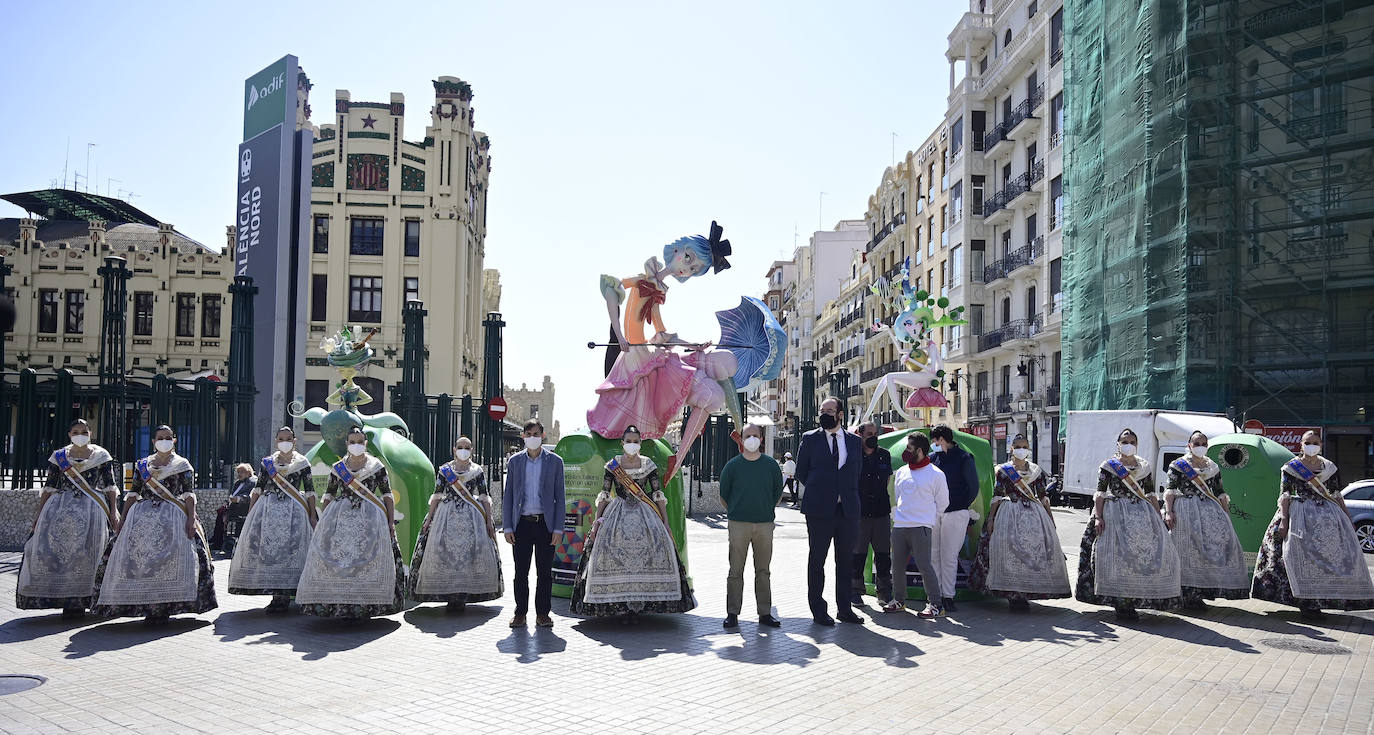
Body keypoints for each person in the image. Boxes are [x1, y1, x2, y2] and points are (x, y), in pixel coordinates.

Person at [91, 425, 217, 622]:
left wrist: (191, 520)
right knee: (140, 561)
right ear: (153, 441)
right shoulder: (143, 465)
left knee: (169, 560)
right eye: (160, 437)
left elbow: (189, 495)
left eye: (168, 437)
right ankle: (146, 606)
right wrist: (122, 520)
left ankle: (164, 607)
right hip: (142, 516)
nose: (164, 440)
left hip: (174, 516)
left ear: (174, 440)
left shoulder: (183, 464)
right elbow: (133, 494)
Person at [570, 425, 695, 622]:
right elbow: (604, 494)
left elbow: (656, 495)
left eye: (635, 441)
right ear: (622, 443)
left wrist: (665, 522)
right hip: (616, 514)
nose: (632, 444)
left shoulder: (648, 464)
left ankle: (640, 606)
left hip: (646, 516)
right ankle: (621, 606)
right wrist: (596, 522)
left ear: (640, 443)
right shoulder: (613, 465)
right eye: (628, 441)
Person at [1252, 430, 1374, 619]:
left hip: (1328, 515)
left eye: (1315, 442)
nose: (1312, 445)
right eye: (1308, 442)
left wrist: (1347, 517)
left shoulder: (1329, 468)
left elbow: (1335, 494)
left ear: (1321, 445)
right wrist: (1284, 520)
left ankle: (1319, 601)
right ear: (1301, 445)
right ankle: (1305, 603)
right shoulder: (1291, 468)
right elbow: (1284, 495)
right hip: (1299, 514)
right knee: (1294, 555)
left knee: (1328, 559)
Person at [295, 426, 405, 619]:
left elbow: (387, 495)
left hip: (371, 518)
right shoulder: (339, 468)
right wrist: (324, 522)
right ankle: (339, 604)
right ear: (347, 444)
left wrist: (390, 521)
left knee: (367, 559)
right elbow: (329, 494)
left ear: (366, 444)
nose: (356, 445)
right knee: (340, 560)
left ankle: (366, 606)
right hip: (340, 517)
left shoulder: (377, 466)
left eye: (360, 442)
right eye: (352, 442)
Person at [16, 419, 119, 618]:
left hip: (93, 510)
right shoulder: (59, 457)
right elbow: (49, 487)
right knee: (62, 556)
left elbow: (110, 486)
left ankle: (89, 599)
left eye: (84, 431)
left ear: (90, 433)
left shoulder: (101, 456)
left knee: (91, 555)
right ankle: (67, 600)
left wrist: (114, 511)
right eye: (76, 431)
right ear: (69, 434)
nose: (80, 434)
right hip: (59, 511)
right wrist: (38, 515)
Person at [1075, 428, 1181, 620]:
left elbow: (1150, 495)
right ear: (1118, 444)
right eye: (1125, 441)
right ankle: (1121, 602)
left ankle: (1136, 598)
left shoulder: (1144, 466)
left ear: (1137, 444)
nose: (1128, 444)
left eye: (1132, 441)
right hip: (1114, 513)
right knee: (1114, 558)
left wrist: (1158, 518)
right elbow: (1100, 493)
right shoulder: (1109, 466)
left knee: (1142, 558)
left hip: (1142, 514)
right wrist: (1098, 517)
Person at [968, 434, 1070, 610]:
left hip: (1034, 516)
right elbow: (997, 495)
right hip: (1009, 513)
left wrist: (1050, 519)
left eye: (1025, 446)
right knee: (1010, 551)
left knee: (1033, 553)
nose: (1022, 450)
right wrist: (991, 518)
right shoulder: (1003, 470)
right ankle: (1013, 594)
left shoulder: (1036, 471)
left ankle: (1028, 591)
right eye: (1019, 446)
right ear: (1012, 448)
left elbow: (1043, 497)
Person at [227, 426, 317, 612]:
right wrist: (251, 514)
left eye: (288, 438)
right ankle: (276, 596)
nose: (285, 441)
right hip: (269, 512)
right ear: (276, 441)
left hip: (295, 512)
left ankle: (290, 593)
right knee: (271, 552)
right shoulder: (267, 463)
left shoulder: (302, 462)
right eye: (281, 438)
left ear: (294, 440)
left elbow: (309, 491)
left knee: (291, 552)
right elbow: (258, 489)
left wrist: (312, 515)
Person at [409, 437, 502, 612]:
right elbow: (436, 495)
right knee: (444, 552)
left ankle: (464, 594)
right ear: (454, 449)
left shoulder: (477, 471)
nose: (463, 450)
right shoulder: (445, 470)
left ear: (472, 450)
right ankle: (448, 593)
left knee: (469, 555)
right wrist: (429, 519)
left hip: (472, 516)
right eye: (460, 447)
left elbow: (484, 497)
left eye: (467, 447)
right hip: (445, 515)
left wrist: (489, 521)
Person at [795, 397, 864, 625]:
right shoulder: (810, 439)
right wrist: (822, 490)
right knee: (817, 561)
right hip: (819, 511)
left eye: (830, 411)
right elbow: (801, 472)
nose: (825, 414)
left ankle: (844, 609)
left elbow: (857, 472)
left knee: (845, 562)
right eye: (822, 411)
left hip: (847, 511)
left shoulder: (854, 441)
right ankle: (818, 610)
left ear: (841, 414)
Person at [1164, 431, 1249, 609]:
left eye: (1203, 443)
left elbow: (1220, 493)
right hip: (1185, 511)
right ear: (1189, 445)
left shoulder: (1212, 467)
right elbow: (1170, 490)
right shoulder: (1178, 465)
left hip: (1210, 512)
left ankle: (1200, 592)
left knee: (1207, 551)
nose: (1200, 446)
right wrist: (1169, 512)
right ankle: (1184, 594)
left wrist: (1226, 516)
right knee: (1186, 552)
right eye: (1197, 443)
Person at [717, 423, 784, 629]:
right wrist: (737, 512)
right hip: (739, 524)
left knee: (763, 570)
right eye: (748, 435)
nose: (752, 439)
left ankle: (765, 613)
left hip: (764, 524)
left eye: (756, 435)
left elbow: (777, 493)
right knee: (735, 570)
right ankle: (732, 613)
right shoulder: (733, 466)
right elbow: (723, 496)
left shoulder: (771, 465)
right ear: (742, 439)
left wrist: (764, 509)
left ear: (761, 439)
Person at [502, 419, 565, 628]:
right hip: (522, 524)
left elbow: (560, 497)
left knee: (544, 573)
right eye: (528, 434)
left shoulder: (555, 462)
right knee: (520, 572)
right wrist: (508, 526)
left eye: (536, 434)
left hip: (545, 524)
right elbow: (508, 494)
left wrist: (558, 528)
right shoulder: (515, 462)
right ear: (523, 436)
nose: (532, 438)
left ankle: (543, 614)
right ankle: (520, 613)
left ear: (543, 435)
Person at [883, 433, 948, 618]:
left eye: (909, 448)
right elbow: (898, 495)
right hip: (900, 525)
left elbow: (943, 502)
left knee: (924, 565)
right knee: (896, 565)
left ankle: (936, 605)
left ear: (919, 450)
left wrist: (928, 519)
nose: (906, 452)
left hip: (921, 527)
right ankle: (899, 601)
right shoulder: (902, 472)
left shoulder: (936, 474)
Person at [929, 425, 979, 613]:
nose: (933, 444)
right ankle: (935, 596)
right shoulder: (933, 459)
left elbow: (973, 487)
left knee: (949, 556)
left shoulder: (965, 458)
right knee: (934, 554)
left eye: (935, 440)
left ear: (942, 439)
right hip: (935, 513)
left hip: (956, 513)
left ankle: (947, 596)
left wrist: (959, 504)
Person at [851, 422, 894, 606]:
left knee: (883, 555)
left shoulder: (884, 455)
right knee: (857, 555)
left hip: (881, 513)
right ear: (860, 435)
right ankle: (855, 591)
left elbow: (886, 481)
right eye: (869, 433)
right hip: (860, 513)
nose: (873, 437)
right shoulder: (853, 456)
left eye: (875, 433)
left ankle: (884, 592)